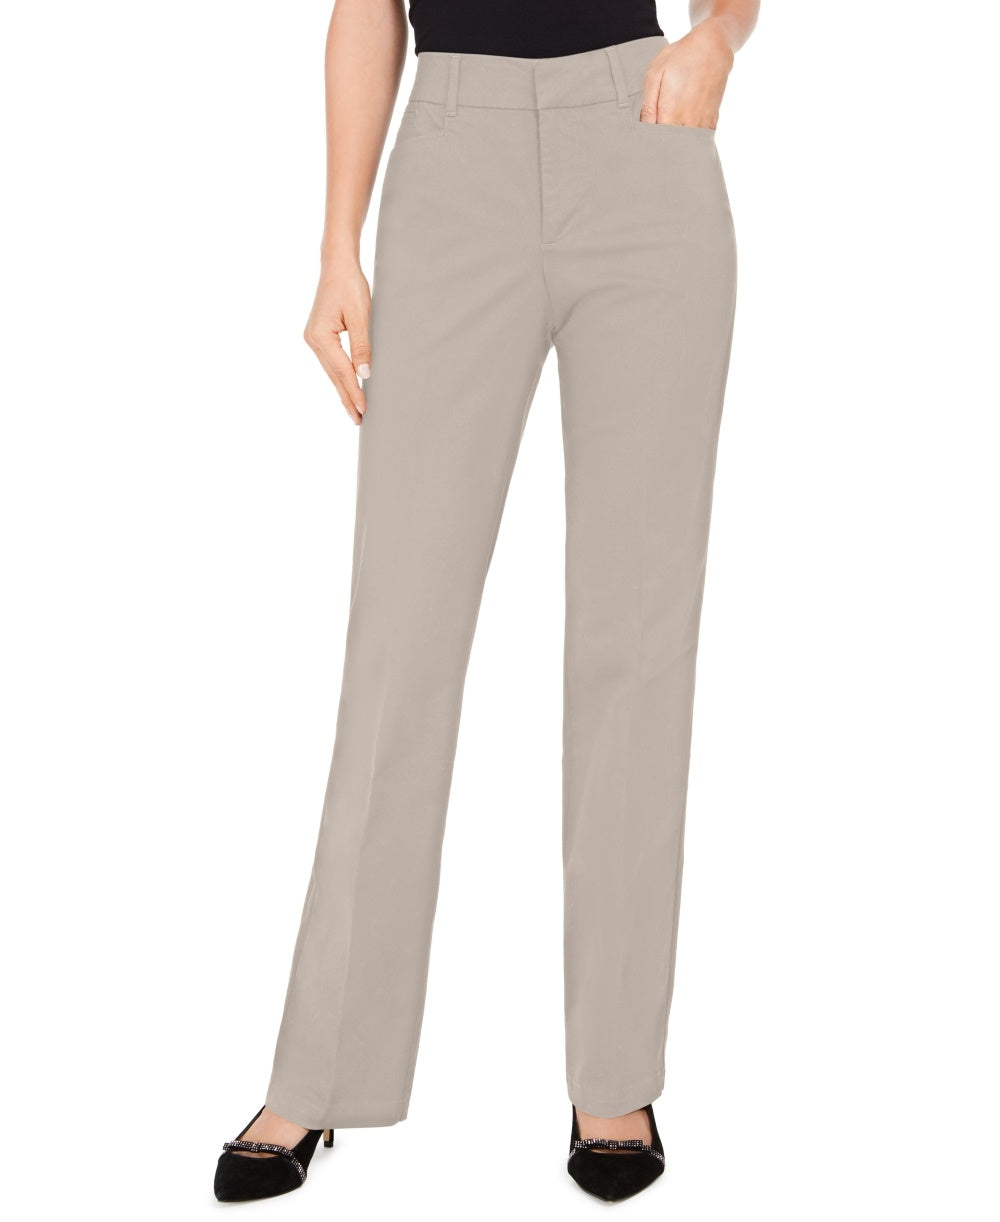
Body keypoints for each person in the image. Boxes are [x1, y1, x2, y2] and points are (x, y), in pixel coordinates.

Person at [214, 0, 760, 1204]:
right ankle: (321, 1066)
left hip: (644, 144)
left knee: (636, 639)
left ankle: (614, 1073)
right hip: (452, 157)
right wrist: (337, 246)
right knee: (398, 641)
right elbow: (367, 9)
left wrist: (718, 36)